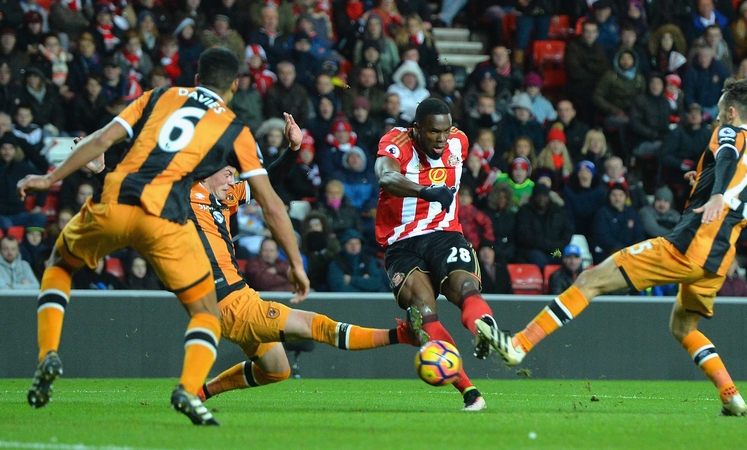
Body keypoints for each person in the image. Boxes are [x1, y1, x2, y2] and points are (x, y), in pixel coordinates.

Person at [16, 48, 308, 426]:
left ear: (197, 78)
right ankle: (189, 388)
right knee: (206, 313)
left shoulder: (158, 97)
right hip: (164, 221)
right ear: (234, 87)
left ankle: (48, 353)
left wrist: (49, 179)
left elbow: (102, 139)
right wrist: (297, 264)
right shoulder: (234, 129)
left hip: (117, 201)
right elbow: (271, 204)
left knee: (60, 265)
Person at [477, 79, 747, 417]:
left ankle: (518, 345)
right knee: (683, 327)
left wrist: (716, 193)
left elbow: (728, 159)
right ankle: (730, 394)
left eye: (719, 113)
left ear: (732, 112)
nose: (716, 119)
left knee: (590, 280)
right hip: (719, 259)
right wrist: (705, 184)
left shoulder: (730, 134)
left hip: (691, 244)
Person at [187, 163, 421, 403]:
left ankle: (200, 393)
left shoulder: (223, 198)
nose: (231, 181)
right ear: (206, 174)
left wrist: (292, 150)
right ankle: (399, 336)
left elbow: (264, 180)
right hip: (230, 303)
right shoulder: (185, 197)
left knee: (277, 370)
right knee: (317, 326)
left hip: (238, 297)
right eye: (226, 174)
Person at [375, 97, 501, 411]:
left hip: (445, 234)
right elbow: (385, 176)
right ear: (416, 129)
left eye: (445, 132)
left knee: (464, 286)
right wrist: (424, 191)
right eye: (433, 132)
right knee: (422, 310)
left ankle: (485, 328)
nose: (441, 139)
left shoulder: (460, 142)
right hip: (402, 243)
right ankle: (470, 391)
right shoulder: (396, 141)